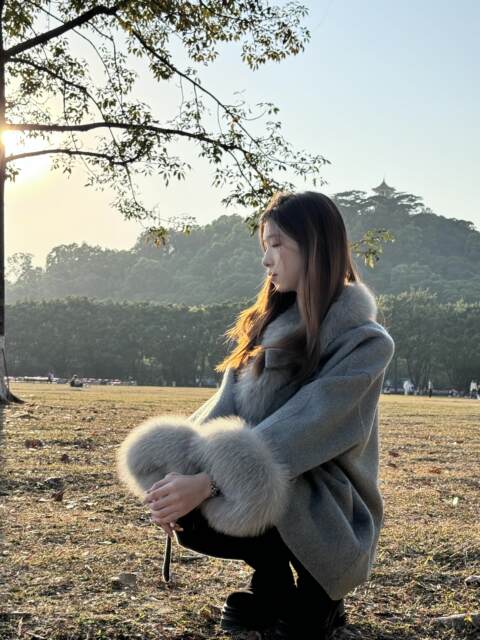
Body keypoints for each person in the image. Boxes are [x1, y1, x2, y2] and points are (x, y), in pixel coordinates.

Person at [117, 191, 395, 639]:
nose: (266, 259)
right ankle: (274, 585)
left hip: (329, 500)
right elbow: (222, 410)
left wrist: (209, 481)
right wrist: (174, 479)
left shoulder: (366, 342)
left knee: (267, 480)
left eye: (277, 245)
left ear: (315, 247)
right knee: (189, 505)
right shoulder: (266, 327)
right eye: (264, 246)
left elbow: (306, 428)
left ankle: (321, 600)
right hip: (267, 478)